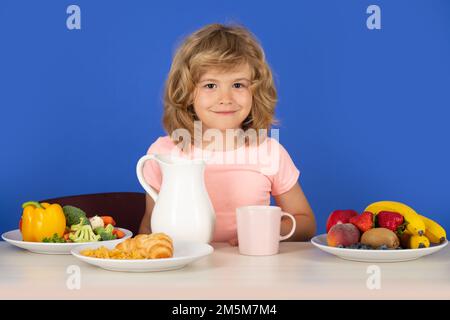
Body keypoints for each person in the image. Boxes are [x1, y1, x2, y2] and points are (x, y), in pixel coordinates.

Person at [138, 23, 316, 245]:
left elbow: (306, 222)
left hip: (250, 271)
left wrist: (266, 230)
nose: (226, 98)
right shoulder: (164, 153)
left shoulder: (269, 152)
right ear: (186, 93)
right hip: (183, 272)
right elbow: (149, 226)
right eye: (210, 85)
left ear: (256, 91)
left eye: (238, 85)